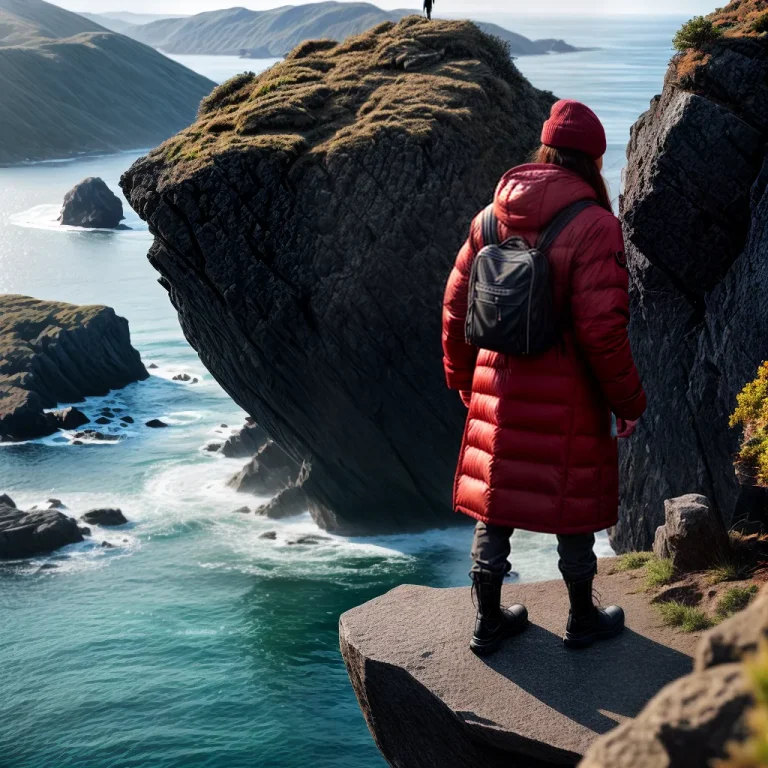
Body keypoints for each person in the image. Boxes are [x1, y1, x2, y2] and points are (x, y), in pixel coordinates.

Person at [442, 99, 647, 656]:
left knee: (494, 502)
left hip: (497, 389)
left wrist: (462, 378)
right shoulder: (595, 226)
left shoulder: (490, 218)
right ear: (593, 161)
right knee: (571, 500)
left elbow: (456, 307)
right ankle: (582, 618)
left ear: (546, 151)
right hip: (569, 393)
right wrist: (628, 402)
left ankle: (488, 621)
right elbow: (603, 332)